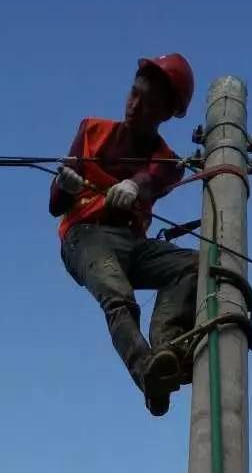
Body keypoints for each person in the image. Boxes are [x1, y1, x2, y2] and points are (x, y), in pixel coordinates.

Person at [50, 54, 198, 416]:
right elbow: (55, 204)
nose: (134, 106)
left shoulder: (167, 161)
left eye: (148, 103)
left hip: (133, 245)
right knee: (119, 297)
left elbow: (154, 179)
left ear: (167, 114)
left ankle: (167, 347)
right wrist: (65, 184)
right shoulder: (92, 131)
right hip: (86, 236)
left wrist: (134, 185)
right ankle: (148, 371)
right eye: (134, 94)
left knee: (195, 265)